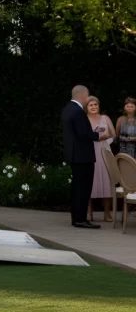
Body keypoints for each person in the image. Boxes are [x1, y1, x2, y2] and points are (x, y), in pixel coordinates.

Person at [62, 85, 109, 229]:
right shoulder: (78, 112)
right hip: (83, 155)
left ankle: (76, 217)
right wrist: (99, 136)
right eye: (87, 96)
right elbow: (83, 134)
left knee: (77, 187)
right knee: (83, 187)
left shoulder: (67, 109)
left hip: (74, 154)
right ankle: (81, 219)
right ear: (83, 95)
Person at [85, 96, 115, 222]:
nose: (93, 107)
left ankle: (107, 213)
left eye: (95, 105)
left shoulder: (105, 118)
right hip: (89, 151)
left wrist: (105, 139)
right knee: (89, 182)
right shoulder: (84, 119)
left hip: (104, 151)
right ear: (86, 107)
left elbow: (113, 134)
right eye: (91, 105)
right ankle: (88, 212)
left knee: (107, 181)